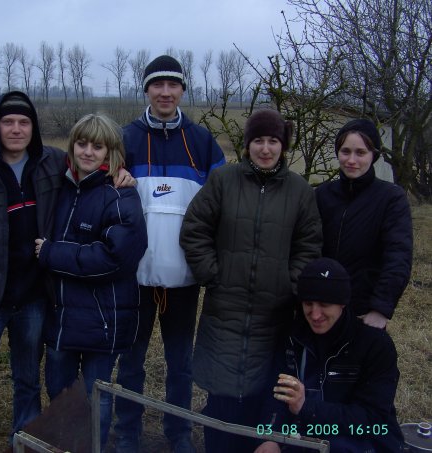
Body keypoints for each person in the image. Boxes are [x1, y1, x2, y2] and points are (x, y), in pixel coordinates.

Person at [0, 92, 134, 452]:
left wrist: (119, 172)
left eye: (24, 122)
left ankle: (23, 443)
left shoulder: (51, 163)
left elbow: (91, 162)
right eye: (8, 122)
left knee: (27, 381)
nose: (16, 129)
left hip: (34, 298)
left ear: (33, 128)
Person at [179, 108, 322, 453]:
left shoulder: (300, 191)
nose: (265, 148)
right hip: (224, 310)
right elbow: (195, 229)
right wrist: (212, 273)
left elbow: (309, 244)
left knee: (265, 391)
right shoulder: (223, 181)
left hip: (273, 313)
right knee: (222, 396)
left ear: (283, 146)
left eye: (273, 141)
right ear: (247, 144)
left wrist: (289, 283)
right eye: (258, 140)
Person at [114, 55, 226, 453]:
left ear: (182, 90)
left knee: (181, 365)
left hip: (183, 278)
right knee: (131, 363)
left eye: (173, 85)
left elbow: (223, 206)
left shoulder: (202, 142)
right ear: (146, 90)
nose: (165, 92)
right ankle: (127, 433)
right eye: (157, 85)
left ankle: (178, 434)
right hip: (134, 278)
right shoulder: (124, 139)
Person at [34, 114, 147, 451]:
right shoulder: (61, 188)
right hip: (61, 317)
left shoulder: (121, 195)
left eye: (97, 146)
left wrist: (52, 253)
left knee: (96, 396)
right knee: (60, 393)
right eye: (81, 144)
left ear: (111, 152)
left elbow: (116, 258)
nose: (87, 152)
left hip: (102, 319)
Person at [255, 257, 404, 453]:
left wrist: (307, 407)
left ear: (342, 303)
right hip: (306, 438)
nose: (315, 314)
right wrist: (270, 437)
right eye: (308, 303)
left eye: (324, 304)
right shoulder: (292, 337)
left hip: (363, 442)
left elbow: (372, 420)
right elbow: (277, 395)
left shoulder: (375, 345)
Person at [316, 118, 412, 330]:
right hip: (321, 310)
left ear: (373, 155)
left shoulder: (390, 198)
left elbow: (398, 257)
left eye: (360, 152)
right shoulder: (322, 195)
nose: (351, 160)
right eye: (345, 151)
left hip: (364, 313)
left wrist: (380, 309)